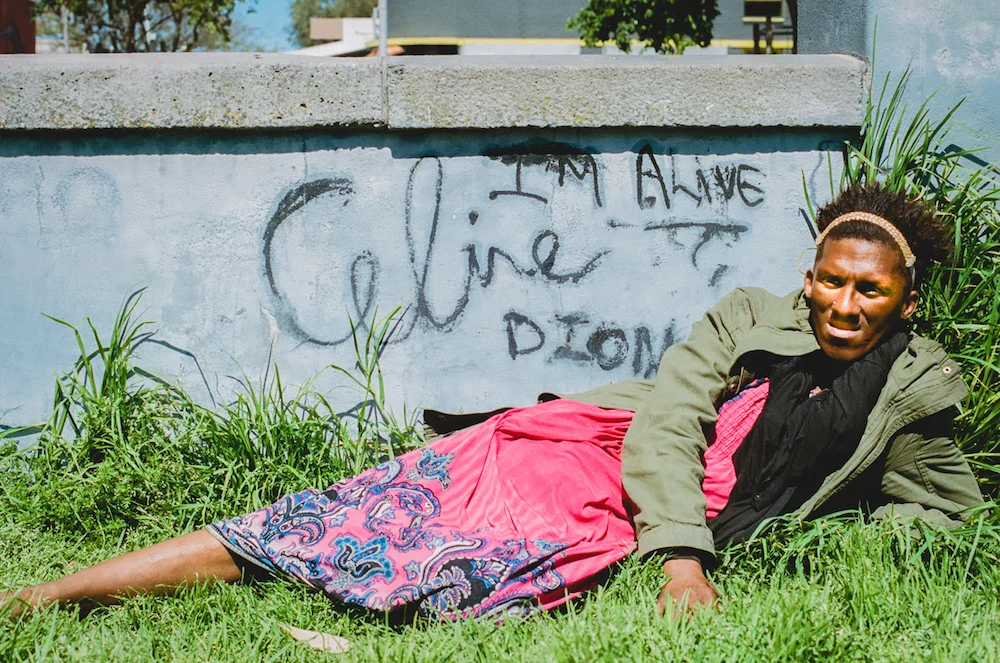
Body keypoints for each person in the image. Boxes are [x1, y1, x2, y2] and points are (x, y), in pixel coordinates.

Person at [2, 183, 984, 621]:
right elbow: (673, 416)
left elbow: (944, 521)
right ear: (809, 272)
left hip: (613, 508)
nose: (840, 303)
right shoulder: (747, 316)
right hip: (596, 462)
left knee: (438, 572)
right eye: (828, 279)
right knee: (326, 520)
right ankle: (45, 596)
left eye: (867, 290)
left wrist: (838, 538)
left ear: (906, 297)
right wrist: (683, 564)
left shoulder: (912, 390)